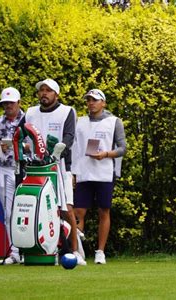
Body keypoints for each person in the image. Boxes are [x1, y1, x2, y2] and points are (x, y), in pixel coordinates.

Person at [21, 79, 86, 265]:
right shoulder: (31, 112)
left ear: (56, 94)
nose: (44, 93)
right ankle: (42, 250)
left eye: (48, 90)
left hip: (60, 166)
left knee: (66, 210)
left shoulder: (67, 111)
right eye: (41, 90)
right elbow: (22, 135)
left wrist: (58, 151)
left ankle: (75, 251)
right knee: (39, 209)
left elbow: (69, 138)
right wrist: (24, 147)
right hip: (35, 168)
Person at [72, 89, 126, 264]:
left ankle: (100, 252)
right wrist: (72, 172)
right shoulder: (80, 121)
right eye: (88, 100)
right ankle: (77, 250)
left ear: (103, 103)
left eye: (95, 100)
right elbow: (74, 148)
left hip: (104, 173)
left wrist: (106, 154)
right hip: (83, 172)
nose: (91, 103)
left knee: (104, 211)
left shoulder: (114, 122)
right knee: (78, 211)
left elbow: (122, 148)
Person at [0, 87, 25, 265]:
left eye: (11, 102)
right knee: (9, 213)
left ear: (18, 103)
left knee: (27, 211)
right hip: (5, 169)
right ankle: (14, 252)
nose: (8, 106)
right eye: (5, 103)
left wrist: (24, 147)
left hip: (25, 169)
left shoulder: (29, 120)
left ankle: (29, 249)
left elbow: (38, 144)